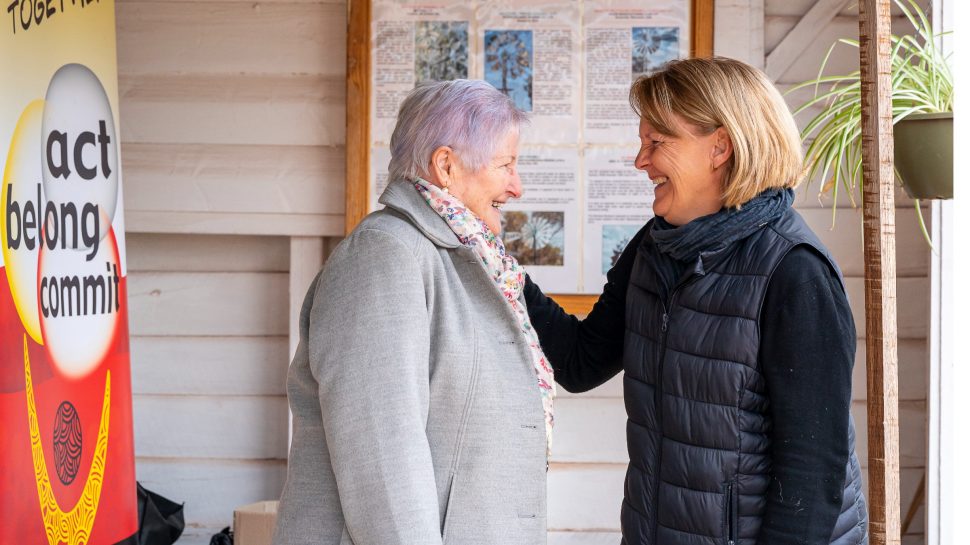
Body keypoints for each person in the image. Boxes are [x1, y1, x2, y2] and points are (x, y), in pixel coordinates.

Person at [525, 57, 868, 545]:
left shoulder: (795, 271)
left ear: (720, 148)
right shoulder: (655, 246)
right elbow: (581, 362)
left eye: (656, 142)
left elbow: (813, 475)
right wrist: (500, 270)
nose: (640, 160)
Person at [273, 79, 554, 545]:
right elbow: (382, 456)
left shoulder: (466, 258)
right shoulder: (384, 257)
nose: (517, 187)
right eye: (506, 165)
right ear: (446, 166)